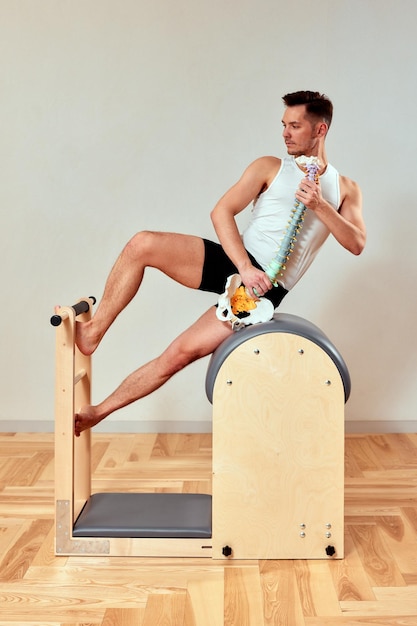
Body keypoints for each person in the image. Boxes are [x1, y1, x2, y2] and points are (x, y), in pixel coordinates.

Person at [74, 90, 366, 437]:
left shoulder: (344, 188)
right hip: (239, 261)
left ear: (320, 130)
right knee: (142, 244)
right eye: (284, 125)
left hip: (262, 289)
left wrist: (320, 206)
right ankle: (94, 332)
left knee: (178, 354)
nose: (285, 133)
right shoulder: (269, 167)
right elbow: (221, 212)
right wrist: (243, 265)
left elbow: (356, 243)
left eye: (295, 126)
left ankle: (98, 412)